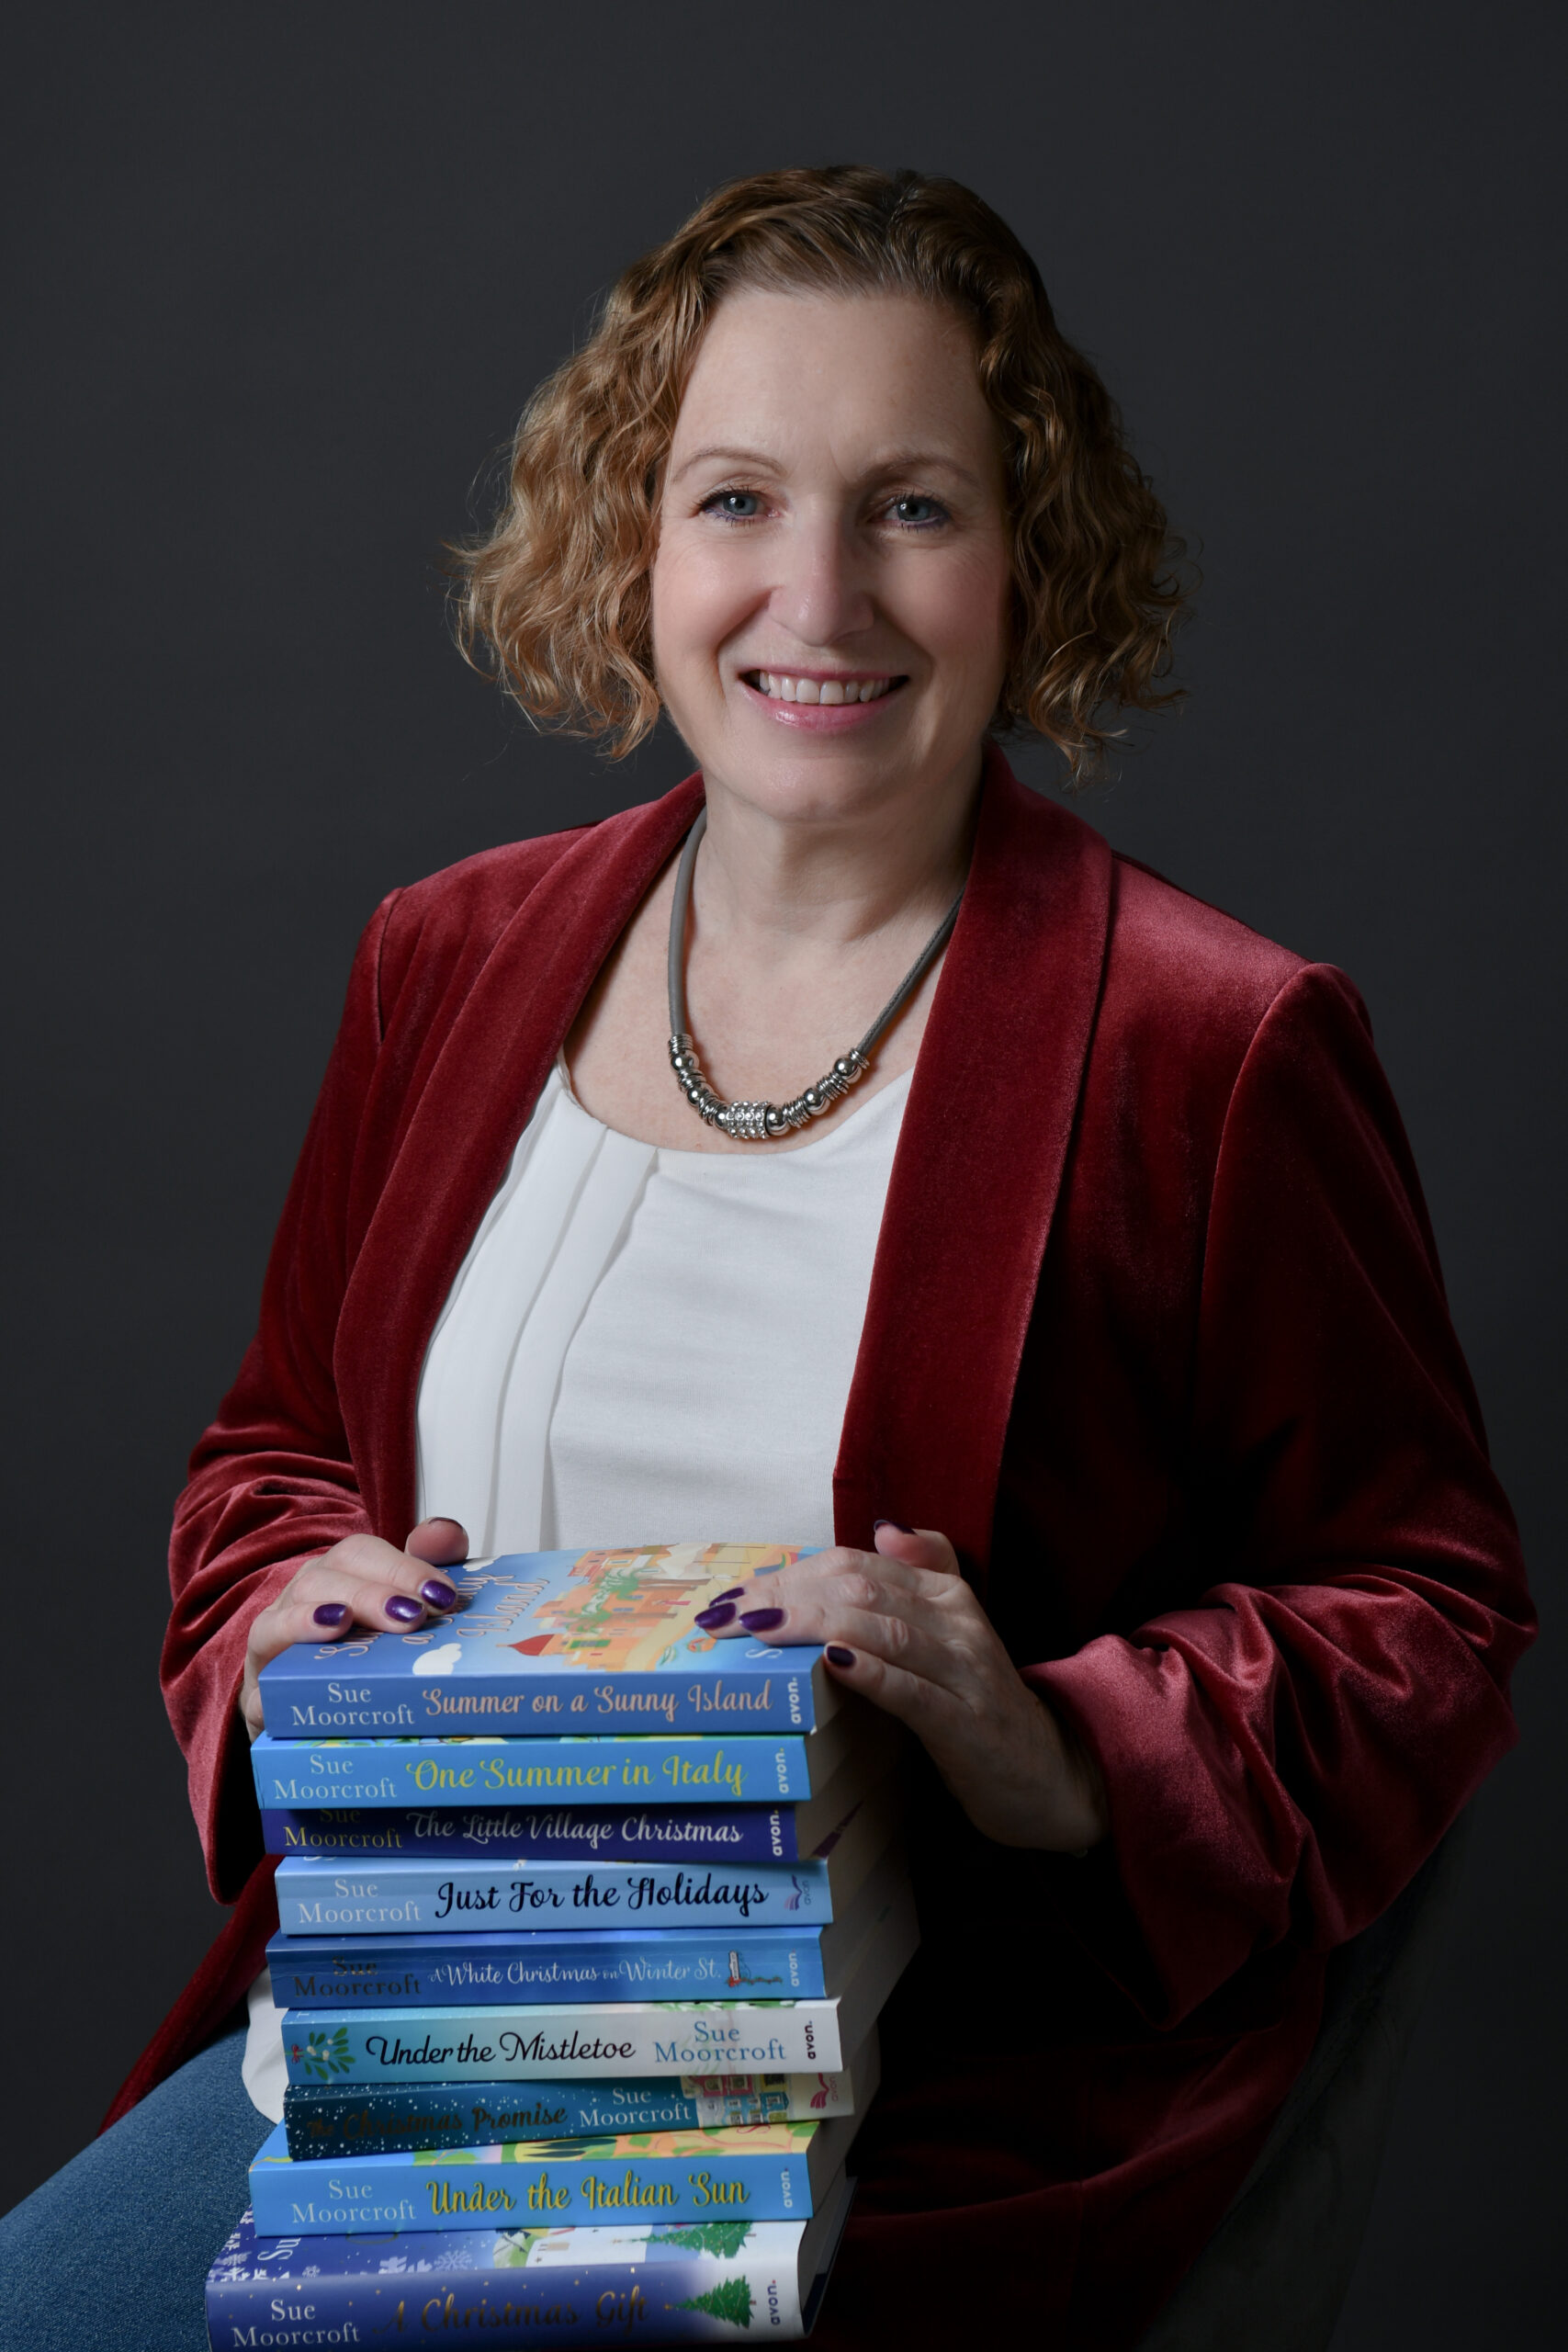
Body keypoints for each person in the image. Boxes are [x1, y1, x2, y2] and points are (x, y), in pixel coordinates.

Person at [0, 166, 1531, 2352]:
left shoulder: (1215, 1043)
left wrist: (1049, 1734)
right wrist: (279, 1609)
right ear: (631, 541)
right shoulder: (441, 959)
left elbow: (1423, 1604)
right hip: (410, 2055)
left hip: (921, 2112)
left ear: (1026, 558)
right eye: (734, 497)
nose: (815, 594)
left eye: (909, 506)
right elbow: (272, 1449)